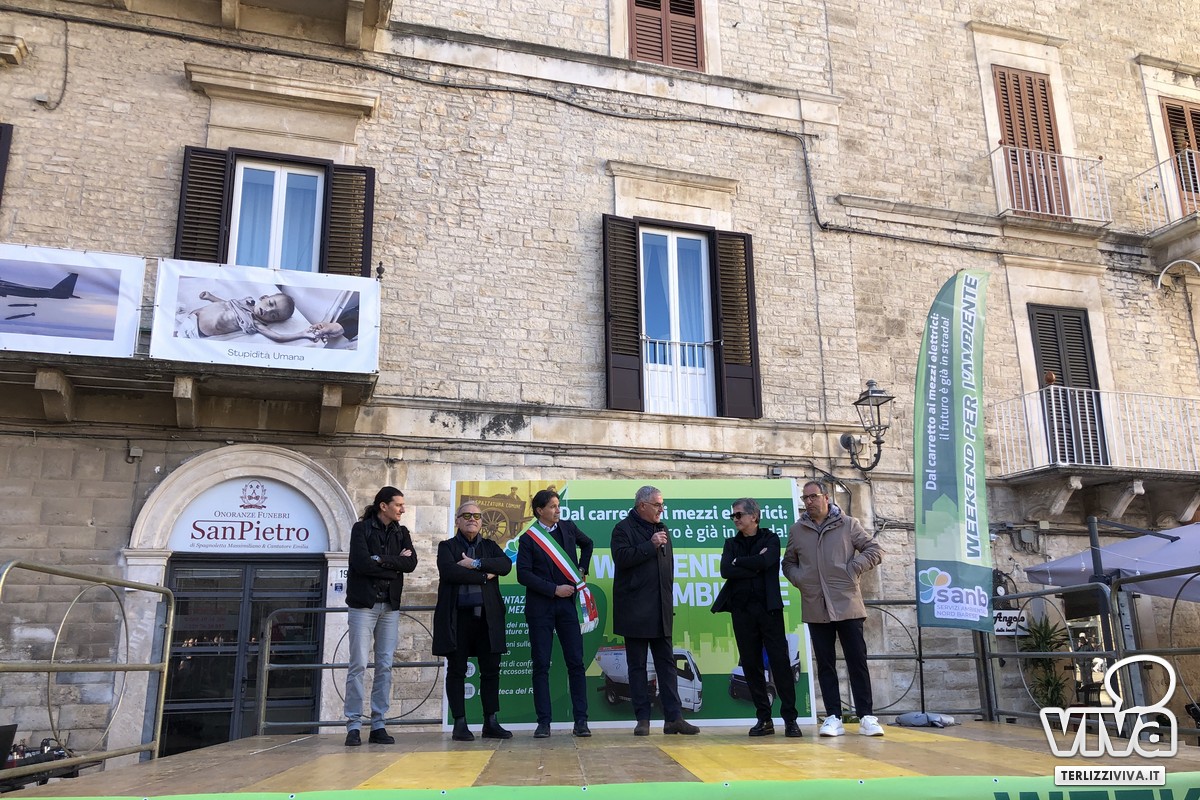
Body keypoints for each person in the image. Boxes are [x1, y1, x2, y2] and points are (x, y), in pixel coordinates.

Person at [782, 480, 884, 737]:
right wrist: (801, 579)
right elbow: (788, 563)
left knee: (857, 661)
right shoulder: (797, 530)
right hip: (816, 606)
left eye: (813, 496)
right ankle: (833, 717)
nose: (808, 502)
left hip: (847, 603)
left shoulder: (848, 524)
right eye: (805, 498)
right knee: (825, 664)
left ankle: (867, 716)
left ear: (826, 497)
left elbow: (874, 549)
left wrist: (853, 568)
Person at [611, 485, 699, 736]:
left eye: (662, 504)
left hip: (661, 610)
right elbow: (622, 558)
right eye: (657, 505)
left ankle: (674, 718)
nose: (661, 509)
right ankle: (642, 719)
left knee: (667, 665)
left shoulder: (662, 529)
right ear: (642, 506)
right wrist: (649, 545)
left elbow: (667, 569)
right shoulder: (622, 529)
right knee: (638, 667)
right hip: (635, 611)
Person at [711, 497, 801, 738]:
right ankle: (764, 718)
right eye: (733, 515)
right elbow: (726, 570)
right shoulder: (731, 543)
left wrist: (740, 562)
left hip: (769, 610)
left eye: (738, 514)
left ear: (754, 516)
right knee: (750, 665)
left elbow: (767, 561)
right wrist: (753, 564)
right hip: (742, 611)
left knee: (780, 664)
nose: (735, 519)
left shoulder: (770, 539)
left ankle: (791, 719)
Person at [432, 501, 514, 742]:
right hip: (457, 619)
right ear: (457, 520)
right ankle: (459, 724)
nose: (472, 520)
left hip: (487, 618)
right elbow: (449, 572)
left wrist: (474, 563)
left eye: (477, 516)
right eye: (466, 515)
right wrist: (485, 576)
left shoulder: (490, 546)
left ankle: (491, 722)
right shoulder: (447, 547)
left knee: (491, 671)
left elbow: (505, 565)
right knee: (457, 670)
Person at [516, 489, 594, 738]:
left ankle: (581, 720)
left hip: (568, 606)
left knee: (576, 662)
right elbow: (523, 574)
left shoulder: (568, 528)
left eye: (558, 505)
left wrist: (581, 569)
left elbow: (588, 544)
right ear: (540, 511)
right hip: (541, 608)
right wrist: (553, 589)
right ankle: (544, 722)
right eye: (552, 506)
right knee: (541, 664)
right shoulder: (529, 538)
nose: (557, 510)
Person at [343, 486, 418, 746]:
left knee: (385, 665)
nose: (402, 509)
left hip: (389, 606)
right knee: (358, 664)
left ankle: (378, 724)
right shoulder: (361, 529)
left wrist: (380, 560)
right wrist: (394, 563)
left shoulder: (402, 532)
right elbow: (361, 563)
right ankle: (353, 725)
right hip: (363, 606)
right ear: (383, 506)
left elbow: (411, 564)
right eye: (398, 504)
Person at [177, 289, 319, 342]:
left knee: (175, 337)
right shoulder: (244, 302)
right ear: (264, 297)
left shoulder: (253, 322)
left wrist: (302, 334)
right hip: (192, 315)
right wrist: (210, 297)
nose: (268, 310)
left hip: (194, 329)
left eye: (274, 316)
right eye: (270, 303)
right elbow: (226, 304)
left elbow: (278, 337)